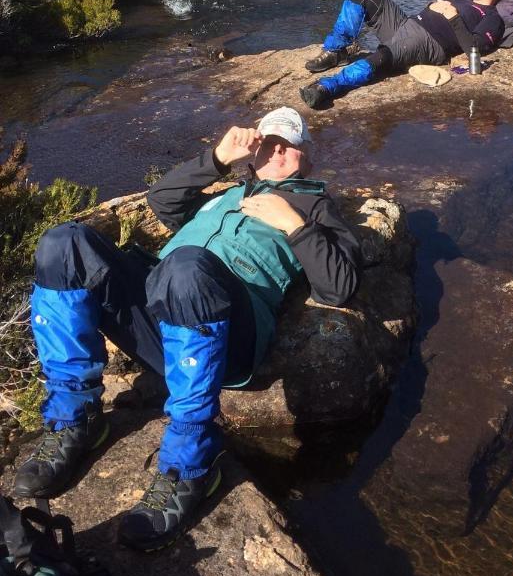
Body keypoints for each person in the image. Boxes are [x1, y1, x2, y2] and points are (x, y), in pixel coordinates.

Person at [13, 108, 361, 552]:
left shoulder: (316, 207)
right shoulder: (227, 194)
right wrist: (217, 158)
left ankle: (191, 466)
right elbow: (163, 200)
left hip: (228, 336)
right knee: (63, 242)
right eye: (267, 142)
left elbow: (340, 287)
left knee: (184, 265)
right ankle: (75, 419)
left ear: (306, 155)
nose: (274, 150)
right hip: (161, 316)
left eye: (287, 144)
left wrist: (292, 223)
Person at [299, 0, 506, 110]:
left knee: (382, 56)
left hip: (428, 42)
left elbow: (475, 48)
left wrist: (452, 17)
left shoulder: (492, 17)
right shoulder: (463, 1)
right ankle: (336, 51)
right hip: (406, 24)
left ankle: (329, 86)